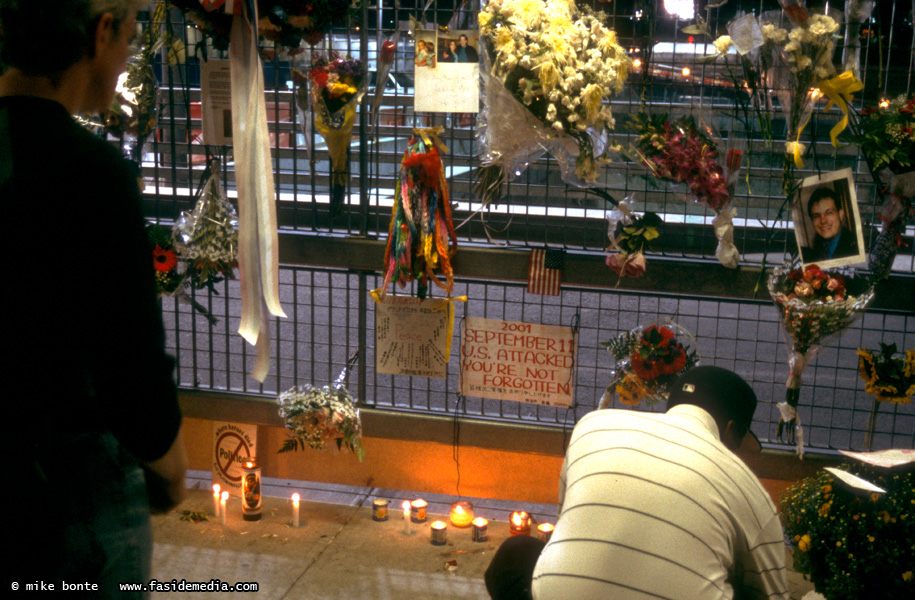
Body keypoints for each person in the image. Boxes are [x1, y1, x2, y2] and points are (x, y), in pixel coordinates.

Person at [0, 0, 186, 595]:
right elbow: (125, 351)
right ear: (100, 32)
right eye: (130, 38)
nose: (127, 56)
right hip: (67, 482)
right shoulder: (90, 172)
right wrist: (167, 459)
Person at [485, 366, 789, 600]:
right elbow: (772, 594)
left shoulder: (593, 425)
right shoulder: (747, 486)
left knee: (518, 552)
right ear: (732, 429)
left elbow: (566, 524)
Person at [800, 186, 859, 262]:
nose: (823, 221)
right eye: (816, 216)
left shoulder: (854, 250)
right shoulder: (811, 254)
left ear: (841, 215)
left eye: (828, 213)